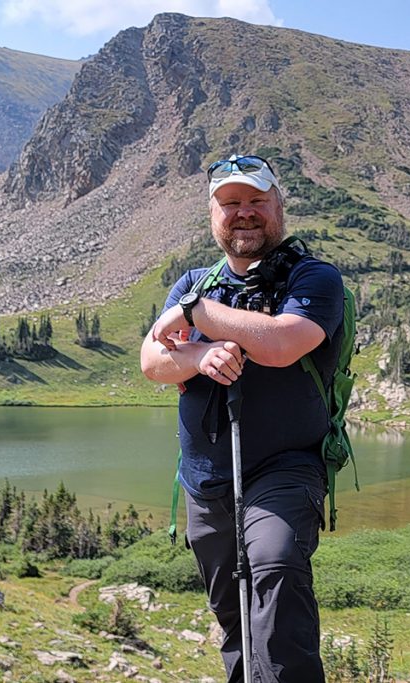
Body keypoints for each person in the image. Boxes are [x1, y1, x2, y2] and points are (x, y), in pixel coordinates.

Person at [140, 154, 344, 682]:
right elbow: (151, 361)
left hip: (286, 468)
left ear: (279, 206)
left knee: (275, 567)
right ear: (214, 215)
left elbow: (281, 343)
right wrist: (196, 356)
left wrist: (196, 313)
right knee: (233, 617)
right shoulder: (194, 280)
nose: (244, 214)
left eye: (256, 201)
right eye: (231, 204)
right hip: (206, 480)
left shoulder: (315, 278)